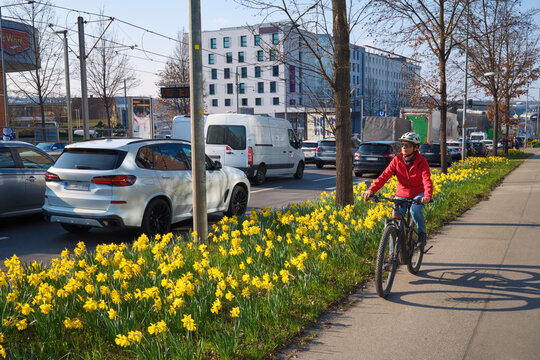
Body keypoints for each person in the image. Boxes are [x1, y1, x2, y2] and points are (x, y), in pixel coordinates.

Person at [362, 132, 433, 246]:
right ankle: (392, 256)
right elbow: (384, 176)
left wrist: (427, 195)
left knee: (414, 210)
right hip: (402, 193)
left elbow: (426, 180)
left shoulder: (422, 161)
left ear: (415, 147)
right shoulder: (397, 160)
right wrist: (372, 190)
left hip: (418, 193)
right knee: (394, 223)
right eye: (403, 144)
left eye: (408, 145)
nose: (404, 147)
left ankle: (421, 234)